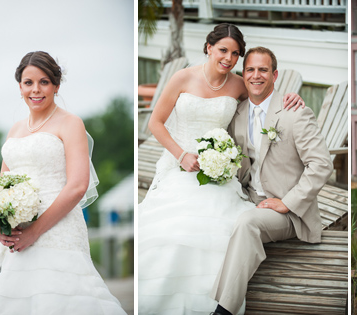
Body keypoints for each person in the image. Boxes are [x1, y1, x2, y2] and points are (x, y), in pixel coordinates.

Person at [137, 23, 304, 314]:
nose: (228, 58)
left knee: (227, 228)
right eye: (223, 50)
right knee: (174, 229)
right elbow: (155, 123)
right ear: (209, 47)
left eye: (235, 53)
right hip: (181, 165)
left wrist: (292, 98)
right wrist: (181, 156)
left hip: (219, 171)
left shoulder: (239, 84)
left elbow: (265, 99)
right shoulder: (182, 78)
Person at [0, 51, 125, 314]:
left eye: (44, 82)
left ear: (56, 85)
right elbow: (0, 185)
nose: (36, 89)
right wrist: (1, 223)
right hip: (19, 234)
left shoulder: (70, 124)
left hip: (59, 229)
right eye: (28, 82)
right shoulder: (15, 130)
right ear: (20, 87)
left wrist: (35, 230)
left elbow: (78, 185)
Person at [210, 46, 331, 315]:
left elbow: (322, 164)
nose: (256, 75)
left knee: (247, 223)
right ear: (243, 75)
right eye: (250, 69)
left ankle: (223, 311)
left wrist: (287, 203)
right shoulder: (238, 113)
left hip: (288, 212)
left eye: (263, 70)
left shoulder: (295, 113)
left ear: (274, 75)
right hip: (247, 197)